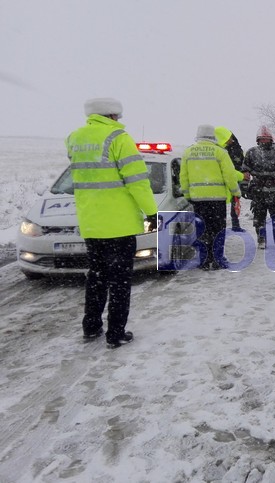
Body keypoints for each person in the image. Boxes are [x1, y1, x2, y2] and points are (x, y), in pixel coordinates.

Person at [67, 97, 158, 348]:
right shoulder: (118, 138)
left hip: (91, 224)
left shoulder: (75, 138)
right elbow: (137, 181)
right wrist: (151, 211)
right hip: (119, 225)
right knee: (119, 281)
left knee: (96, 276)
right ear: (112, 116)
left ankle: (91, 326)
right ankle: (116, 333)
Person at [179, 124, 242, 270]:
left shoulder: (188, 152)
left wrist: (187, 194)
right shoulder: (220, 152)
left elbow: (184, 177)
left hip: (198, 200)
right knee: (218, 229)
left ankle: (204, 260)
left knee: (202, 229)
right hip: (217, 199)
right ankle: (218, 259)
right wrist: (235, 192)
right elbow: (230, 175)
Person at [243, 126, 275, 249]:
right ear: (258, 140)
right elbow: (245, 172)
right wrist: (243, 186)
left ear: (271, 140)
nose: (264, 141)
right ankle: (261, 239)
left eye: (266, 139)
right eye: (262, 139)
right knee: (259, 217)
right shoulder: (251, 152)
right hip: (258, 191)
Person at [215, 126, 247, 231]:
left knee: (235, 200)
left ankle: (234, 224)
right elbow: (228, 170)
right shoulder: (220, 151)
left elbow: (240, 163)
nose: (231, 140)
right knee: (223, 204)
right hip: (226, 179)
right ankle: (224, 225)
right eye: (228, 139)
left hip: (234, 177)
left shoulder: (235, 148)